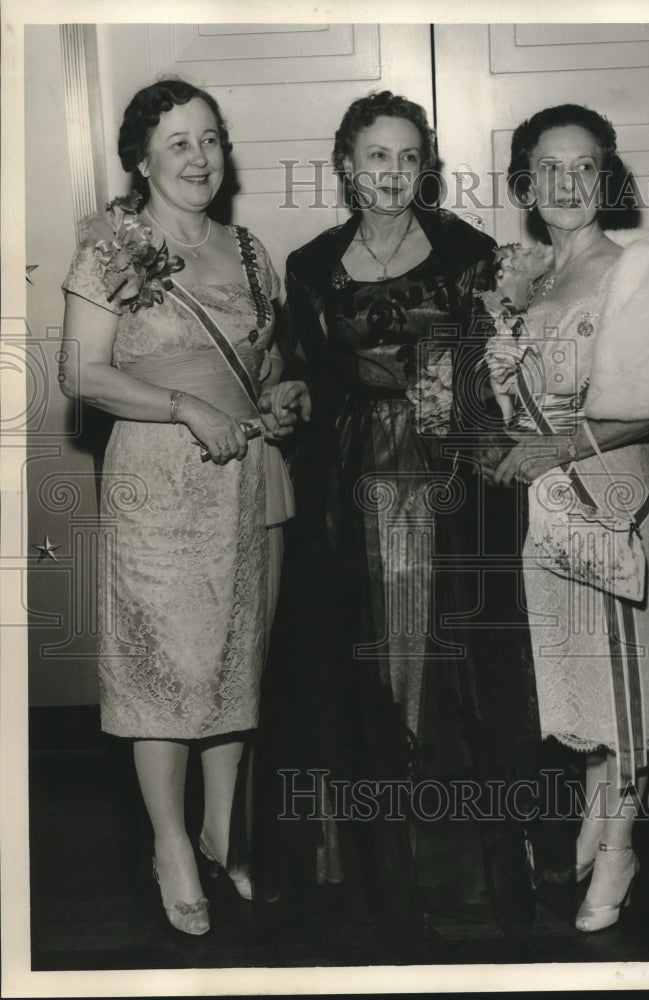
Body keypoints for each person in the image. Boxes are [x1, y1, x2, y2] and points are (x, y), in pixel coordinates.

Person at [265, 90, 539, 929]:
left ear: (425, 167)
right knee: (349, 657)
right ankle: (361, 862)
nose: (391, 173)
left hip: (441, 481)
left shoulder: (469, 254)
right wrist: (288, 393)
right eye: (375, 156)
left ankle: (450, 859)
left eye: (406, 157)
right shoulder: (309, 263)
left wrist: (460, 407)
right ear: (346, 164)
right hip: (342, 486)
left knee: (441, 653)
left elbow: (495, 373)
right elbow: (305, 371)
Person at [59, 78, 298, 936]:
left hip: (249, 479)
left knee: (238, 665)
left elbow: (259, 370)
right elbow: (78, 375)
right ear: (142, 159)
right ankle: (168, 845)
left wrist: (284, 394)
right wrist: (180, 407)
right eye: (179, 143)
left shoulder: (251, 251)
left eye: (211, 139)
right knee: (166, 674)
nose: (200, 158)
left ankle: (222, 832)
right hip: (157, 482)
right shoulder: (112, 249)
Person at [483, 104, 649, 932]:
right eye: (546, 167)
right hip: (550, 513)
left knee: (626, 683)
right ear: (524, 180)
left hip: (617, 499)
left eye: (582, 166)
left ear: (606, 177)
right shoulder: (529, 274)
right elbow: (513, 402)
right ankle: (597, 819)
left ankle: (621, 850)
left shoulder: (638, 265)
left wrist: (560, 447)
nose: (564, 183)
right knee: (579, 675)